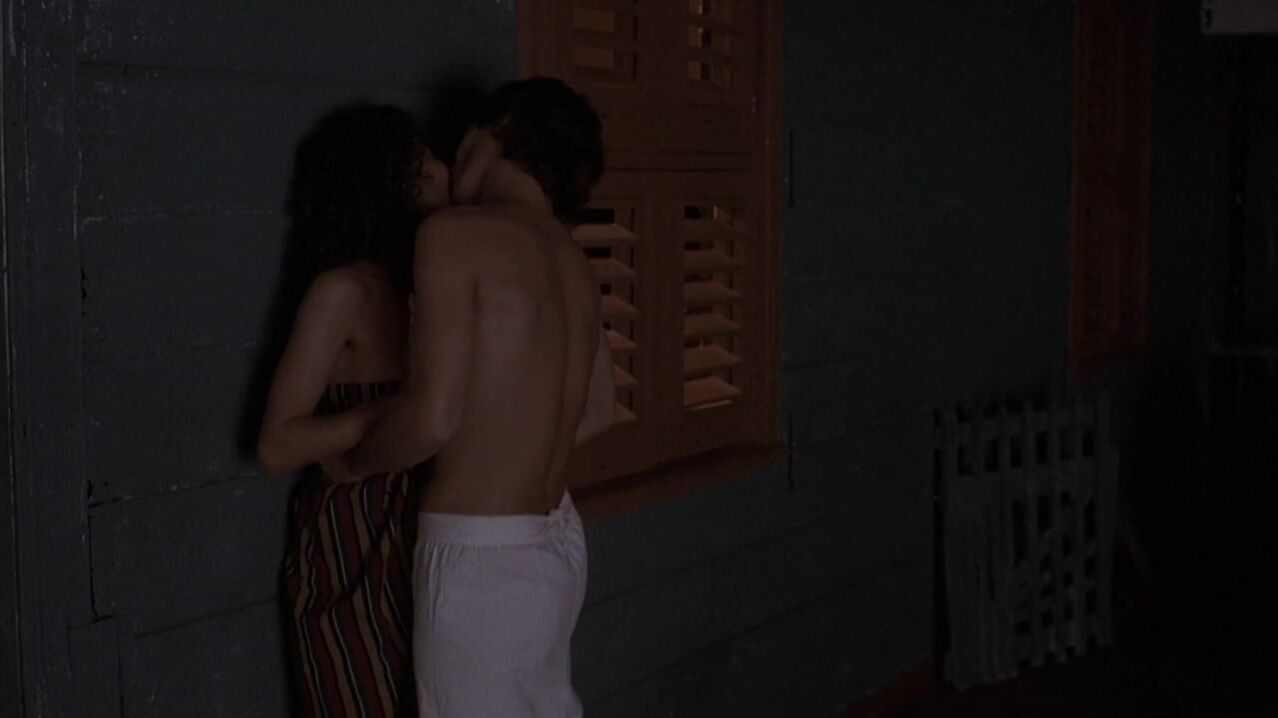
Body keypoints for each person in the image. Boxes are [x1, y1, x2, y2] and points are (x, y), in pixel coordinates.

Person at [342, 78, 616, 717]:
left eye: (459, 140)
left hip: (483, 559)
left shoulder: (453, 234)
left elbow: (431, 419)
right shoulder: (574, 262)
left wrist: (354, 462)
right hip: (555, 543)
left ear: (497, 133)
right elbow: (599, 410)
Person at [256, 103, 450, 718]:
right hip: (349, 541)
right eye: (421, 159)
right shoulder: (342, 291)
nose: (440, 168)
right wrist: (386, 413)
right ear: (383, 179)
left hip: (427, 535)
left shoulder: (435, 283)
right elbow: (277, 445)